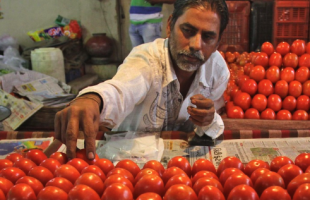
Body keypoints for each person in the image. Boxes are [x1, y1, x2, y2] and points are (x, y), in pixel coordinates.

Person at [55, 0, 230, 160]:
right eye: (188, 31)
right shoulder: (146, 59)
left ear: (218, 42)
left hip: (179, 166)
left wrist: (208, 120)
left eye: (208, 37)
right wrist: (93, 99)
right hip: (126, 160)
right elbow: (121, 90)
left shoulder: (217, 71)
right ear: (169, 26)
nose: (196, 45)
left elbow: (211, 119)